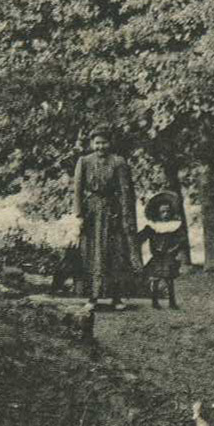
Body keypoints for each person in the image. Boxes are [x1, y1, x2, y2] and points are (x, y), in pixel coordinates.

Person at [72, 129, 142, 311]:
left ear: (110, 143)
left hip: (113, 211)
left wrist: (126, 216)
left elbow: (126, 191)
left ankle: (117, 298)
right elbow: (78, 190)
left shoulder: (118, 162)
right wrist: (79, 215)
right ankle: (92, 297)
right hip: (92, 213)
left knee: (115, 252)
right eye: (97, 143)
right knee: (91, 252)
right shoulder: (84, 161)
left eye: (104, 142)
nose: (100, 146)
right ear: (91, 144)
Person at [138, 191, 190, 310]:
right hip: (157, 256)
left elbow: (181, 240)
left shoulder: (175, 225)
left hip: (169, 256)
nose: (165, 214)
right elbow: (141, 237)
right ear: (158, 213)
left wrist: (174, 250)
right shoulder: (152, 226)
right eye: (162, 212)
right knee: (155, 279)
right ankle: (155, 302)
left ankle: (172, 302)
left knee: (169, 279)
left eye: (167, 211)